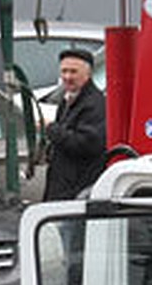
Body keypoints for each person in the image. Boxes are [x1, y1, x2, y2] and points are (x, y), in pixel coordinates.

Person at [43, 47, 106, 200]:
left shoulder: (95, 104)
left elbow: (86, 143)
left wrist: (52, 130)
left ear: (88, 74)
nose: (67, 76)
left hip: (77, 189)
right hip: (63, 186)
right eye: (64, 71)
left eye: (73, 72)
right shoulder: (68, 99)